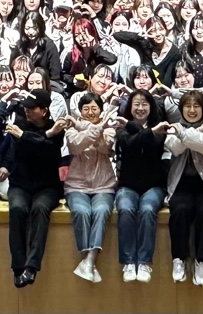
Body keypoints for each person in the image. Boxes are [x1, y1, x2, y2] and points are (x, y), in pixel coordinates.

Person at [0, 88, 66, 288]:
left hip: (48, 186)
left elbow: (50, 152)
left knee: (40, 208)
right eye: (26, 107)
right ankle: (18, 267)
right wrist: (41, 136)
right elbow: (23, 148)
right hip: (21, 184)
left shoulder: (56, 127)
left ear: (44, 111)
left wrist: (29, 137)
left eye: (32, 108)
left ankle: (32, 266)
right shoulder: (19, 125)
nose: (27, 111)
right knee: (17, 208)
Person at [164, 92, 203, 286]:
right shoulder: (174, 128)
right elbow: (174, 147)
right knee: (180, 210)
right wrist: (192, 134)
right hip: (181, 184)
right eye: (187, 106)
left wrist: (183, 134)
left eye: (196, 106)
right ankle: (178, 259)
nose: (191, 110)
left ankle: (201, 261)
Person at [114, 89, 168, 283]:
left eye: (144, 104)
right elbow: (128, 145)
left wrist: (141, 129)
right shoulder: (122, 128)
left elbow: (153, 145)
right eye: (136, 104)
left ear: (151, 107)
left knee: (147, 210)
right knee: (125, 209)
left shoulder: (160, 127)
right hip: (127, 185)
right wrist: (144, 130)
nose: (140, 108)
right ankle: (129, 261)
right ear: (130, 106)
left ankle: (144, 262)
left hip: (154, 186)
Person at [65, 92, 118, 283]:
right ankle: (87, 260)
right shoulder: (71, 129)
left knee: (101, 211)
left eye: (94, 108)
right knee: (81, 211)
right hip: (76, 185)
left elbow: (105, 147)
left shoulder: (109, 130)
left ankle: (89, 260)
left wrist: (91, 128)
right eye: (85, 109)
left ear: (101, 110)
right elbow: (76, 146)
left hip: (104, 185)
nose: (89, 112)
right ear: (80, 111)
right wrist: (96, 128)